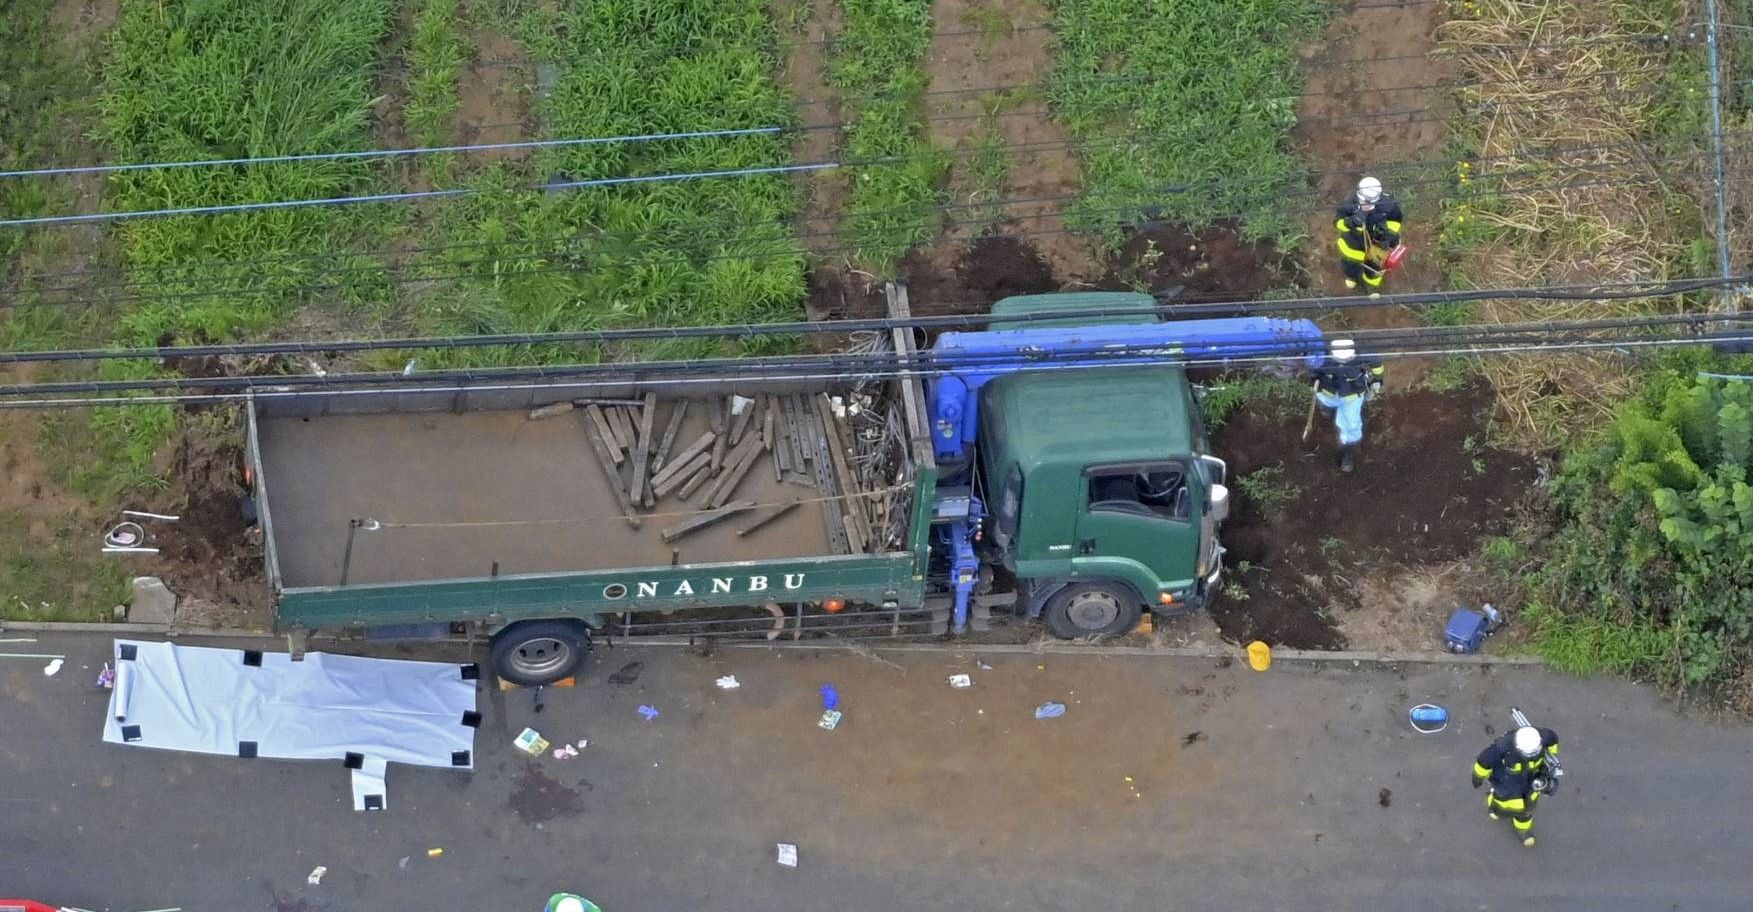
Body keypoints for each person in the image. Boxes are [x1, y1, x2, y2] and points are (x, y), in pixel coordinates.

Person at [1472, 724, 1561, 848]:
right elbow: (1484, 762)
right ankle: (1494, 809)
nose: (1532, 755)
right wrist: (1478, 777)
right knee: (1501, 804)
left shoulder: (1544, 737)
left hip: (1530, 786)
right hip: (1506, 786)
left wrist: (1551, 758)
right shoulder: (1503, 746)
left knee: (1526, 812)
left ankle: (1523, 830)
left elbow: (1553, 739)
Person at [1311, 339, 1384, 473]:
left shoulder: (1363, 354)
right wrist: (1313, 376)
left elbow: (1377, 363)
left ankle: (1348, 450)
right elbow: (1310, 367)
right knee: (1326, 404)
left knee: (1351, 425)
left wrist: (1377, 379)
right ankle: (1327, 409)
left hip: (1352, 397)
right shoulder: (1320, 356)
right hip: (1328, 393)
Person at [1335, 176, 1404, 294]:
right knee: (1350, 262)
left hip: (1377, 244)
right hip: (1353, 242)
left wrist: (1388, 238)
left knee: (1375, 267)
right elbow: (1338, 223)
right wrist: (1351, 222)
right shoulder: (1349, 203)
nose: (1366, 205)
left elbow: (1395, 222)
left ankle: (1371, 286)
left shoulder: (1388, 205)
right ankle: (1352, 277)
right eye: (1364, 202)